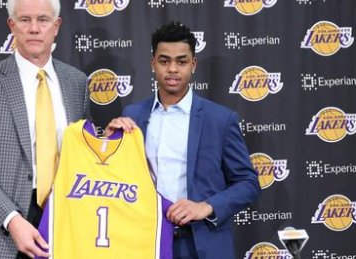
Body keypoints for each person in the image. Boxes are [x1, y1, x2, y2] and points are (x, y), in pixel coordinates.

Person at [0, 0, 89, 258]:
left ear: (57, 26)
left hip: (68, 226)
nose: (34, 28)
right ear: (12, 25)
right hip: (2, 232)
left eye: (43, 19)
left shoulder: (77, 82)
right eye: (25, 20)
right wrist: (12, 219)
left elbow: (84, 156)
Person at [106, 21, 260, 259]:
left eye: (182, 61)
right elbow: (115, 180)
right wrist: (107, 144)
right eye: (165, 61)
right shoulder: (132, 116)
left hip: (203, 243)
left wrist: (205, 207)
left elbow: (248, 183)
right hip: (146, 242)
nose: (173, 69)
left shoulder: (220, 119)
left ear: (193, 64)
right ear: (153, 63)